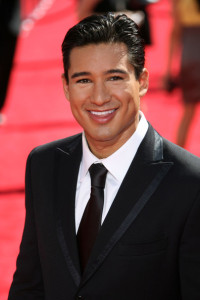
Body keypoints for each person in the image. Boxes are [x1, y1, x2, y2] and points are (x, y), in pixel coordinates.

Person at [8, 13, 200, 300]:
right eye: (84, 80)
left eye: (114, 77)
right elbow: (30, 285)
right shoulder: (43, 165)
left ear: (143, 80)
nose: (99, 97)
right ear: (66, 86)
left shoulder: (190, 184)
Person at [164, 0, 200, 147]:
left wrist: (169, 69)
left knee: (188, 112)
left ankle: (179, 159)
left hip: (189, 58)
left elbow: (175, 32)